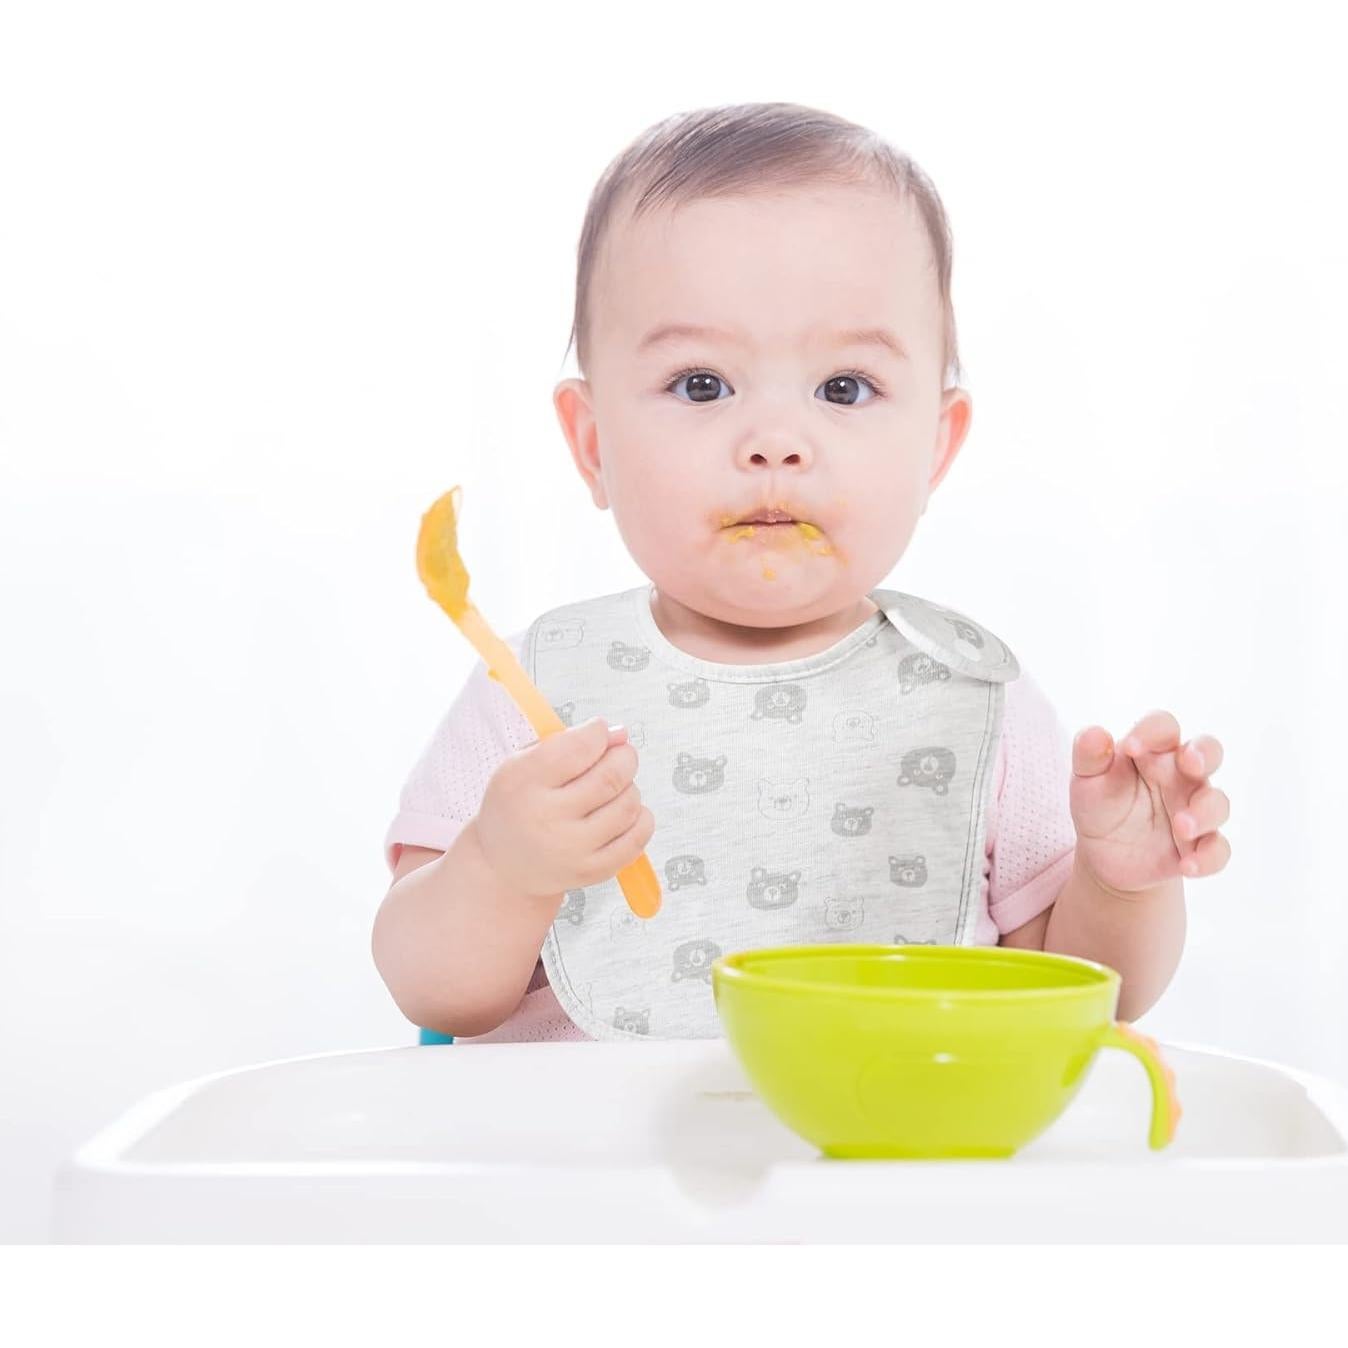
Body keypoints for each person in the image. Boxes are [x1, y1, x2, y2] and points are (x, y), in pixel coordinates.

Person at [372, 102, 1230, 1043]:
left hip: (887, 1167)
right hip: (593, 1175)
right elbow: (432, 992)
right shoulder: (542, 684)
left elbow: (1086, 994)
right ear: (591, 445)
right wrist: (502, 866)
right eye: (701, 385)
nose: (775, 442)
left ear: (935, 449)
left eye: (843, 388)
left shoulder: (969, 692)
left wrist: (1120, 883)